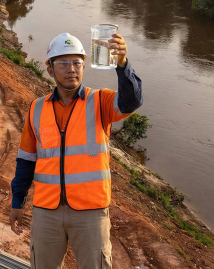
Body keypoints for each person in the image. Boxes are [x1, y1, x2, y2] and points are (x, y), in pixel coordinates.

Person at [9, 32, 143, 269]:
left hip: (90, 212)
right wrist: (17, 202)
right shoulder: (37, 108)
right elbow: (26, 160)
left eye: (77, 62)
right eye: (62, 63)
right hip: (46, 212)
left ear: (83, 66)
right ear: (50, 69)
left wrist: (122, 64)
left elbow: (131, 102)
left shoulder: (100, 101)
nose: (71, 69)